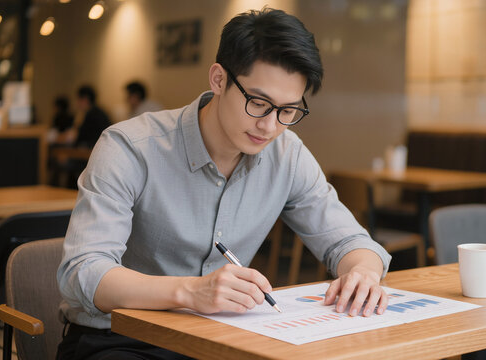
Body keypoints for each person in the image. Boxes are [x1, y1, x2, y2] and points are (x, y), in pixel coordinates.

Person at [57, 8, 391, 360]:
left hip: (222, 340)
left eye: (288, 111)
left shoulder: (286, 154)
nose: (270, 126)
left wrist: (363, 273)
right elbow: (83, 271)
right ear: (218, 79)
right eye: (258, 103)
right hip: (121, 339)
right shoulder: (130, 147)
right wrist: (190, 292)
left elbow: (350, 241)